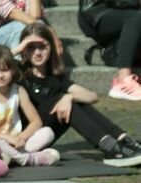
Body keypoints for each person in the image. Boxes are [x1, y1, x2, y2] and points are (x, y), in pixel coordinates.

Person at [16, 23, 141, 166]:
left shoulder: (56, 79)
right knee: (61, 99)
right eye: (31, 47)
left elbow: (92, 96)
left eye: (42, 47)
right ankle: (110, 147)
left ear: (51, 49)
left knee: (72, 100)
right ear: (24, 50)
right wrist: (20, 48)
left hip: (43, 135)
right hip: (23, 136)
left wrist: (70, 97)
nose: (38, 53)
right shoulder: (16, 73)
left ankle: (125, 141)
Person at [0, 45, 59, 166]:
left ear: (13, 70)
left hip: (16, 143)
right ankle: (27, 159)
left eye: (4, 70)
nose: (0, 76)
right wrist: (6, 138)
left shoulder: (19, 90)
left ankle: (11, 157)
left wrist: (20, 138)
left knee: (48, 132)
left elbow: (36, 122)